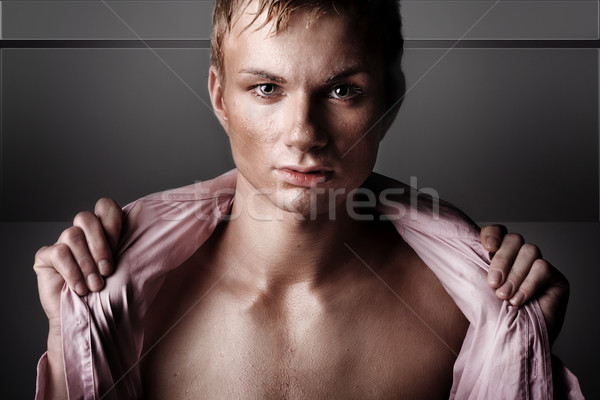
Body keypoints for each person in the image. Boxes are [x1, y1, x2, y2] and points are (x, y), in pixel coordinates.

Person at [33, 0, 582, 398]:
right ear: (220, 97)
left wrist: (523, 348)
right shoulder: (133, 305)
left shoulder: (465, 312)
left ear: (390, 97)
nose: (304, 134)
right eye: (267, 88)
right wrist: (69, 340)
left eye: (342, 90)